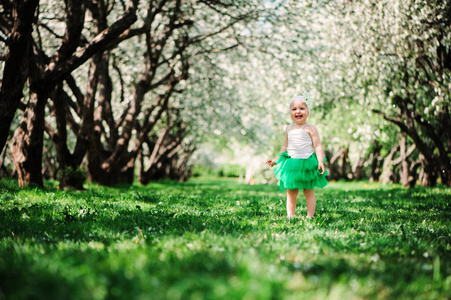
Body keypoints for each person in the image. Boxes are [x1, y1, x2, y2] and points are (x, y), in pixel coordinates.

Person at [266, 91, 328, 219]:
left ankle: (310, 216)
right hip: (292, 164)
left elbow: (318, 146)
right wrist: (276, 160)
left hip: (307, 163)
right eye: (294, 109)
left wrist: (320, 161)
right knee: (291, 192)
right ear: (290, 112)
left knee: (309, 191)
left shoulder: (310, 128)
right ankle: (291, 215)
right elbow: (285, 147)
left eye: (302, 108)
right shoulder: (289, 128)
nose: (298, 111)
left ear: (308, 111)